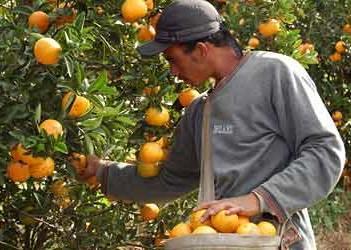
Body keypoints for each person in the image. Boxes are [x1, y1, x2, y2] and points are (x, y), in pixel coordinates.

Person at [82, 0, 345, 249]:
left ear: (200, 50)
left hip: (277, 240)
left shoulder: (274, 73)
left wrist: (258, 200)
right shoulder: (199, 111)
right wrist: (104, 172)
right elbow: (170, 180)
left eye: (173, 60)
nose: (172, 71)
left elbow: (325, 152)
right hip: (222, 240)